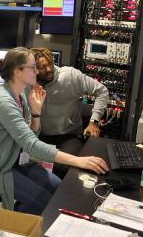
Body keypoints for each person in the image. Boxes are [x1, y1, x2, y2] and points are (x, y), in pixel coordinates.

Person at [0, 47, 109, 215]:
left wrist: (36, 114)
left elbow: (30, 136)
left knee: (59, 189)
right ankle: (17, 225)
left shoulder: (20, 95)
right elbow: (32, 145)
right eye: (32, 67)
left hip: (15, 161)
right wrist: (78, 161)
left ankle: (22, 219)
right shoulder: (4, 102)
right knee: (47, 202)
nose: (37, 71)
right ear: (18, 72)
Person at [31, 47, 109, 176]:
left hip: (68, 136)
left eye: (50, 64)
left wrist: (93, 121)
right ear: (33, 70)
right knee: (25, 161)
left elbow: (102, 91)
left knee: (65, 167)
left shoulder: (70, 75)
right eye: (43, 67)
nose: (50, 69)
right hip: (39, 136)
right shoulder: (28, 83)